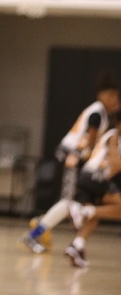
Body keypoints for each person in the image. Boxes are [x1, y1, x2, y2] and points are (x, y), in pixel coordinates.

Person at [24, 75, 120, 253]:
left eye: (116, 96)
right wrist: (90, 157)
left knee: (70, 202)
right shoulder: (97, 112)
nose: (114, 100)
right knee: (68, 202)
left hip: (75, 158)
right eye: (111, 96)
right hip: (72, 156)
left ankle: (41, 229)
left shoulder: (101, 113)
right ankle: (34, 234)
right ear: (102, 95)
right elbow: (91, 138)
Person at [62, 125, 121, 269]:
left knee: (94, 217)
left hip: (88, 175)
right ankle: (82, 211)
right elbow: (116, 163)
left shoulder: (111, 135)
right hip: (95, 176)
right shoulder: (114, 136)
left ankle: (77, 246)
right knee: (112, 209)